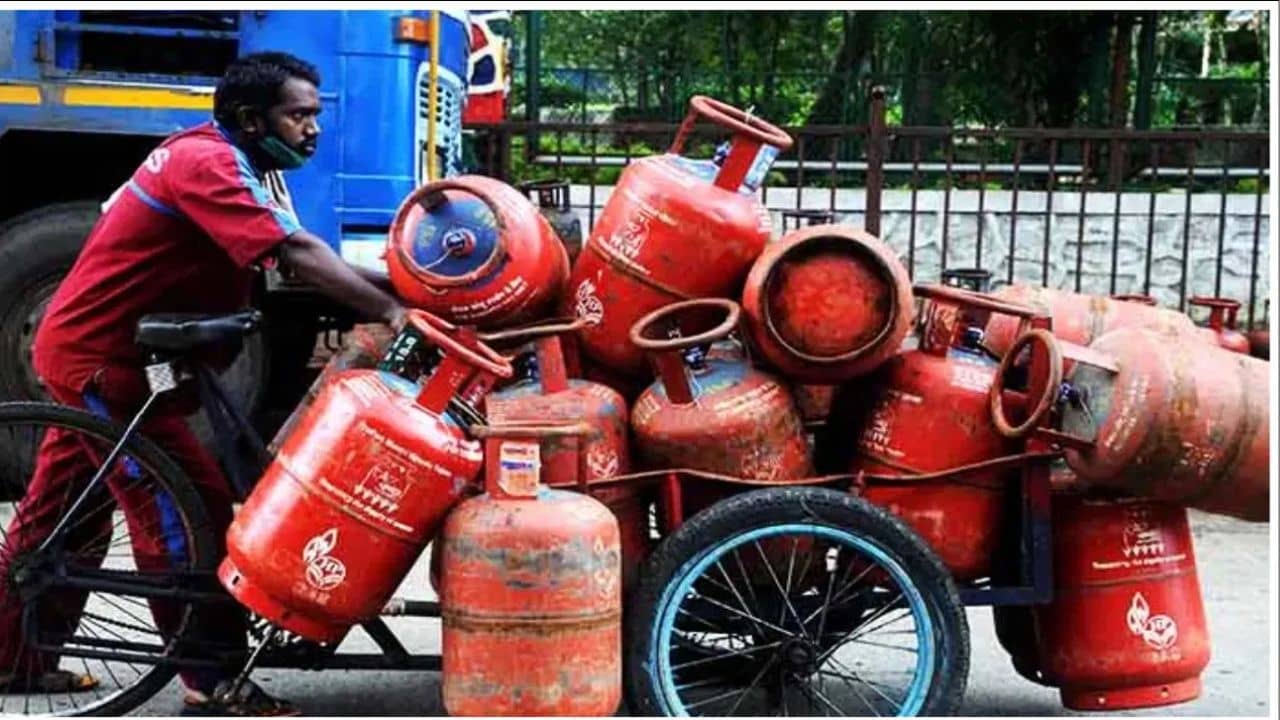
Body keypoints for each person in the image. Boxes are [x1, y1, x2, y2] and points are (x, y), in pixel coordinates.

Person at [0, 52, 406, 716]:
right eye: (299, 115)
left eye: (314, 115)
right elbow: (296, 256)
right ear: (251, 118)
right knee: (186, 511)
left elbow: (306, 252)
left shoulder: (246, 166)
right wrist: (389, 311)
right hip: (106, 362)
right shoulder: (206, 164)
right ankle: (207, 680)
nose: (313, 130)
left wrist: (411, 291)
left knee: (58, 516)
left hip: (108, 354)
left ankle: (13, 658)